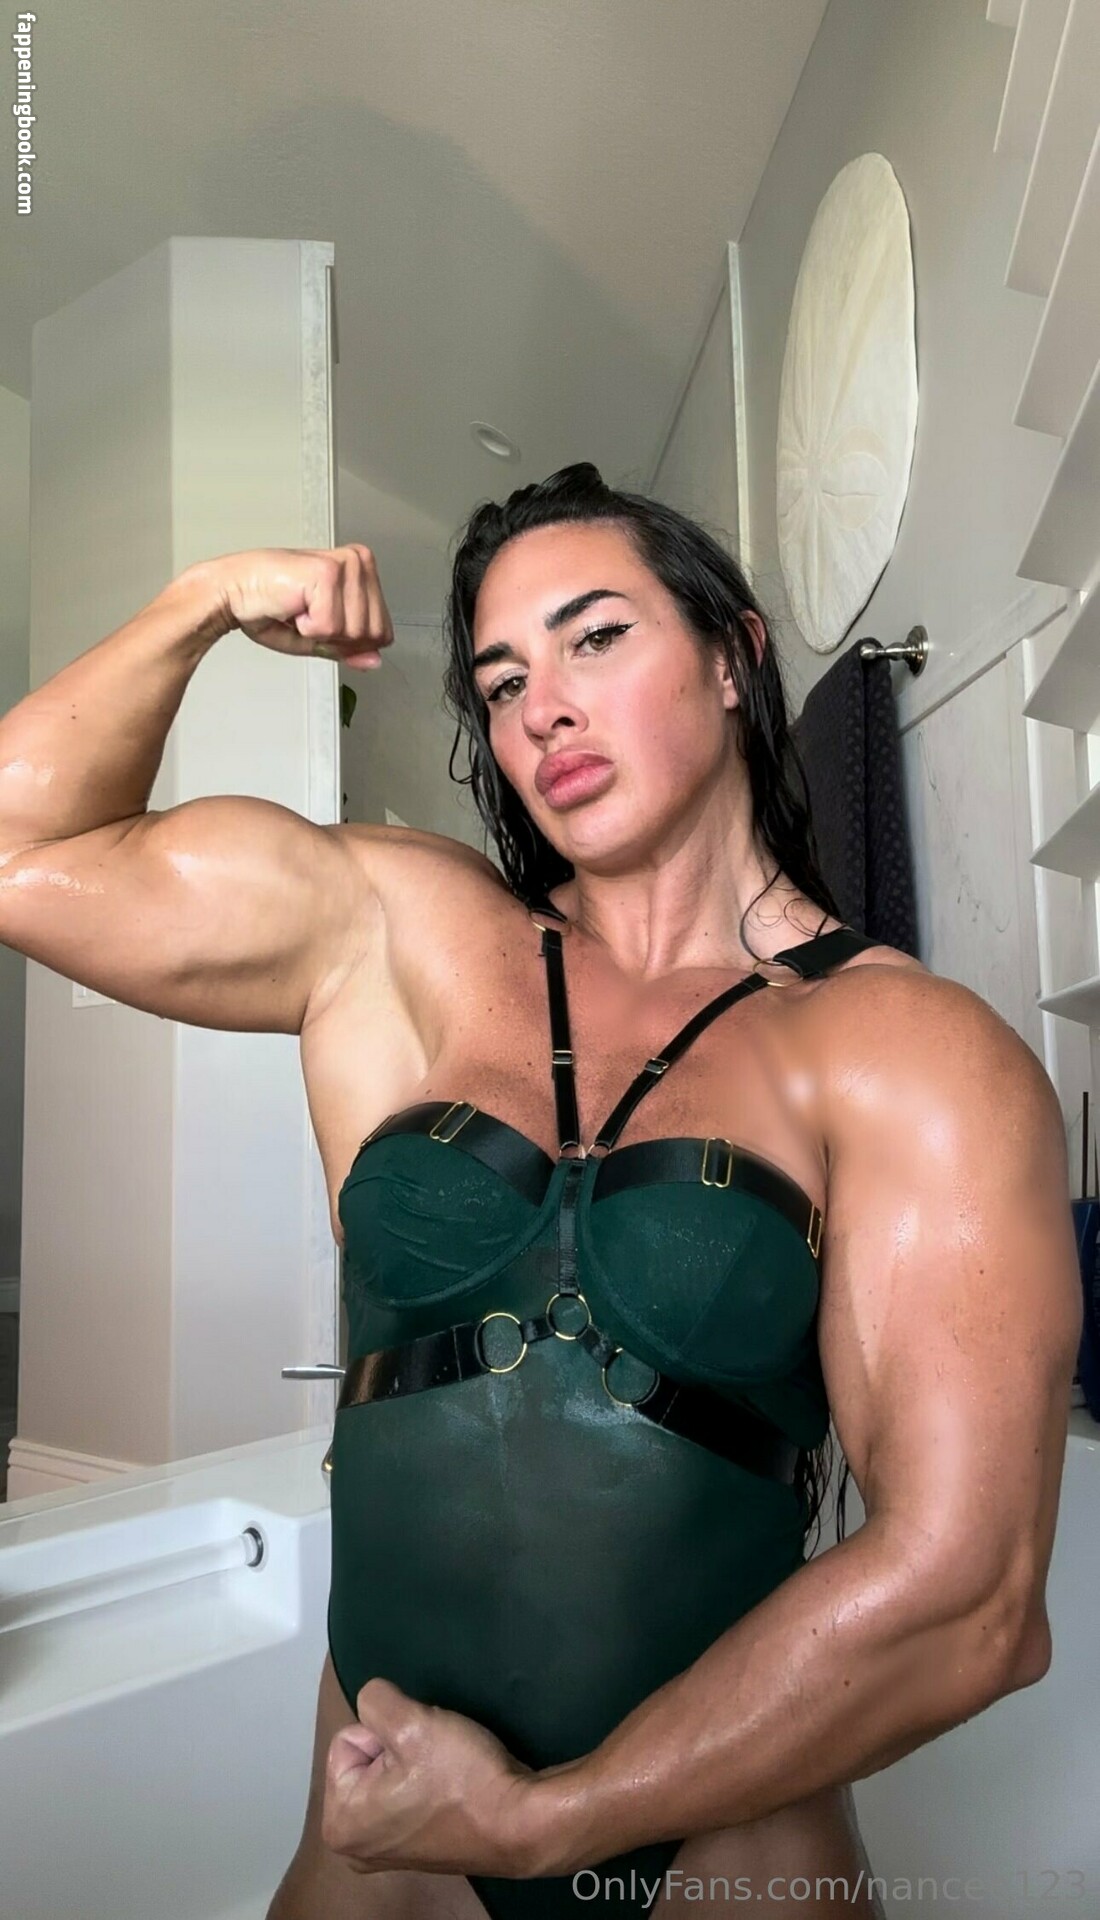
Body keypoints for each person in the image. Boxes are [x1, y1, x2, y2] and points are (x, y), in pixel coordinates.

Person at [0, 464, 1080, 1919]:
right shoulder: (402, 934)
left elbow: (973, 1594)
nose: (544, 710)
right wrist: (202, 601)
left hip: (726, 1866)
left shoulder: (905, 1049)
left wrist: (541, 1821)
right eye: (504, 682)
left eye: (597, 638)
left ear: (733, 655)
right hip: (387, 1850)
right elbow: (23, 852)